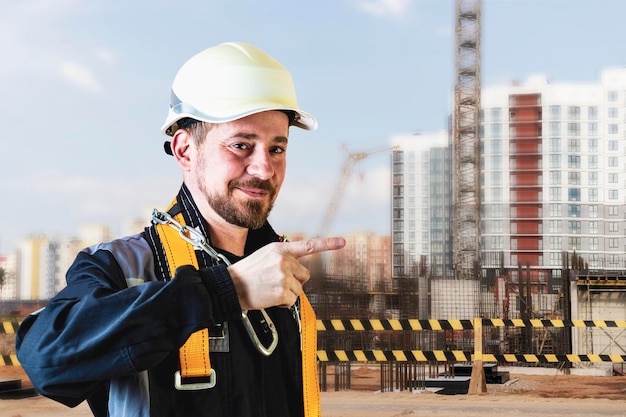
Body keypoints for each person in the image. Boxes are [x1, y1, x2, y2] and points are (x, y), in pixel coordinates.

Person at [16, 41, 345, 417]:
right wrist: (225, 292)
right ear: (185, 150)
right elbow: (47, 359)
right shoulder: (122, 268)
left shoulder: (281, 275)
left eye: (276, 149)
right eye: (241, 144)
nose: (264, 169)